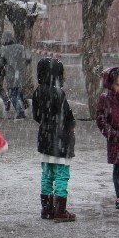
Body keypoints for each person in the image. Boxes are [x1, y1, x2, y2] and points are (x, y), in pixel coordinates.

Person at [32, 58, 76, 222]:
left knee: (47, 175)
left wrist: (47, 126)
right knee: (62, 175)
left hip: (45, 141)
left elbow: (36, 116)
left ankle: (47, 209)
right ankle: (60, 210)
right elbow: (67, 117)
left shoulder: (37, 92)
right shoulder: (59, 93)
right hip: (60, 141)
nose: (64, 77)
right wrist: (70, 126)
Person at [96, 67, 119, 211]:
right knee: (118, 169)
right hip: (116, 141)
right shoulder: (105, 99)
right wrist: (112, 134)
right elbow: (100, 119)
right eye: (118, 84)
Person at [0, 31, 31, 119]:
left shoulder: (4, 49)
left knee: (12, 95)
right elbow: (29, 58)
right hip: (21, 74)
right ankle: (24, 105)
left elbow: (0, 63)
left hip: (10, 75)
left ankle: (20, 111)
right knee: (18, 91)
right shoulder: (21, 47)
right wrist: (23, 65)